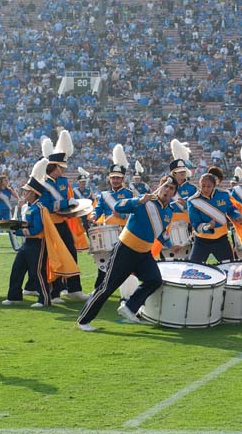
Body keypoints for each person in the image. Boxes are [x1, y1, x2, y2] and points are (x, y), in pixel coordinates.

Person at [76, 175, 179, 332]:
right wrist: (138, 201)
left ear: (173, 193)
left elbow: (160, 232)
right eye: (165, 186)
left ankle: (129, 307)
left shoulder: (169, 211)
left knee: (154, 280)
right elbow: (118, 207)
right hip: (125, 250)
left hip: (144, 254)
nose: (167, 190)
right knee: (107, 287)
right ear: (159, 186)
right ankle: (83, 320)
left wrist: (171, 246)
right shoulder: (143, 201)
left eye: (171, 188)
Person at [39, 131, 89, 303]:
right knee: (54, 257)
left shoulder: (63, 181)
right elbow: (46, 204)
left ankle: (74, 289)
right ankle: (54, 293)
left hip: (62, 222)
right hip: (49, 225)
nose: (64, 169)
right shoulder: (42, 183)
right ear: (54, 167)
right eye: (62, 167)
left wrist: (73, 207)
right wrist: (67, 203)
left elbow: (67, 202)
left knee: (70, 252)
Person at [1, 159, 53, 308]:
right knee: (17, 269)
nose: (24, 193)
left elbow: (36, 229)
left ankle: (44, 299)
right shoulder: (29, 207)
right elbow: (24, 223)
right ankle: (14, 296)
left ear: (34, 193)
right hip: (28, 243)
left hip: (37, 243)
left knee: (37, 273)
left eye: (26, 191)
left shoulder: (39, 208)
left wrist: (17, 231)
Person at [89, 144, 134, 289]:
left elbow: (134, 212)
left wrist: (121, 214)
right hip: (107, 230)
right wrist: (94, 215)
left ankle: (125, 289)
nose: (115, 180)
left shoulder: (129, 193)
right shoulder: (104, 195)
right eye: (113, 178)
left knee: (123, 261)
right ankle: (99, 287)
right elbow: (99, 208)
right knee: (104, 260)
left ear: (122, 179)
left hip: (123, 231)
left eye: (118, 178)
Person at [187, 172, 242, 264]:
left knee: (229, 266)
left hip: (221, 239)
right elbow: (195, 223)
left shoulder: (223, 195)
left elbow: (231, 209)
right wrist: (207, 226)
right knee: (194, 268)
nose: (205, 189)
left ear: (214, 185)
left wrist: (237, 216)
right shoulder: (193, 201)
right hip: (202, 241)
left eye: (209, 186)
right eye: (203, 186)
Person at [0, 174, 18, 244]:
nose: (7, 181)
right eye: (5, 180)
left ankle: (15, 246)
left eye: (7, 180)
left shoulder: (9, 189)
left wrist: (13, 190)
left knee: (10, 228)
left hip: (7, 210)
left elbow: (17, 197)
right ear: (1, 181)